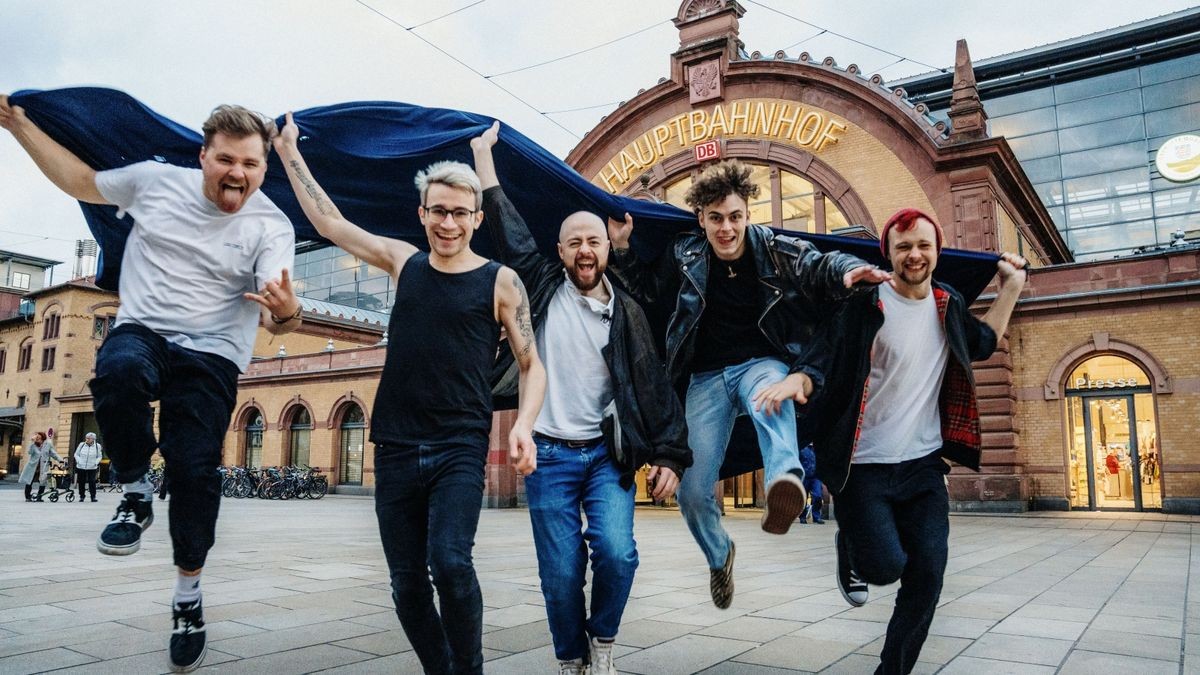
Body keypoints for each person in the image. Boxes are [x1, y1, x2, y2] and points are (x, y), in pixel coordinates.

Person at [0, 95, 301, 673]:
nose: (237, 173)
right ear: (203, 157)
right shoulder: (155, 183)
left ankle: (188, 597)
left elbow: (277, 311)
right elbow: (82, 180)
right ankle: (135, 491)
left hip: (212, 354)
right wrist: (17, 125)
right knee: (117, 372)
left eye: (251, 164)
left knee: (194, 470)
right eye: (226, 160)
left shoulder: (271, 225)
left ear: (264, 169)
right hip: (145, 328)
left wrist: (284, 312)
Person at [274, 113, 545, 675]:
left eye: (460, 213)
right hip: (395, 445)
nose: (449, 223)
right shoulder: (404, 262)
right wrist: (286, 152)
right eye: (438, 211)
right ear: (423, 213)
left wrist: (523, 425)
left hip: (458, 446)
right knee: (405, 584)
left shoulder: (500, 281)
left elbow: (531, 365)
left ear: (475, 218)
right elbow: (331, 224)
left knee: (449, 562)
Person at [606, 159, 887, 609]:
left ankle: (785, 482)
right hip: (705, 379)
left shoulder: (774, 249)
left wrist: (847, 270)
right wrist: (620, 249)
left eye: (734, 217)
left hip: (761, 362)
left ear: (747, 215)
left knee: (770, 397)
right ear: (701, 218)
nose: (726, 228)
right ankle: (720, 555)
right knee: (693, 493)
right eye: (715, 218)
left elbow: (818, 263)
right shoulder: (685, 254)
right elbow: (649, 296)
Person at [472, 123, 691, 675]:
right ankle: (572, 660)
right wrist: (485, 162)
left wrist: (669, 455)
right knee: (561, 571)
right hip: (547, 454)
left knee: (618, 555)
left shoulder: (630, 309)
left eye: (594, 241)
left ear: (605, 249)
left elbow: (654, 385)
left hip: (606, 457)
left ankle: (603, 645)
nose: (585, 250)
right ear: (561, 251)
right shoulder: (541, 286)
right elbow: (509, 230)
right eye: (575, 242)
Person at [805, 208, 1027, 674]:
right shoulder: (863, 305)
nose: (914, 255)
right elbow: (820, 357)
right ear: (887, 252)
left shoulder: (947, 304)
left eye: (924, 245)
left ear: (937, 252)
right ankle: (852, 546)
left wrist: (1011, 287)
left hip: (923, 466)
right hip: (861, 465)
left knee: (927, 575)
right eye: (904, 246)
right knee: (885, 567)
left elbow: (984, 342)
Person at [19, 431, 63, 502]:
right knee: (29, 481)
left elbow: (53, 454)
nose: (37, 438)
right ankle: (27, 497)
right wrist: (32, 442)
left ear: (42, 438)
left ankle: (39, 497)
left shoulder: (48, 444)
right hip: (32, 467)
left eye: (39, 437)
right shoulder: (33, 445)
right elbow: (29, 452)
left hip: (43, 466)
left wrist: (60, 460)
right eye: (36, 437)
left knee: (43, 482)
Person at [796, 445, 824, 524]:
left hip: (816, 477)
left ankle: (816, 516)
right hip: (804, 477)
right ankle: (802, 517)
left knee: (818, 496)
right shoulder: (801, 448)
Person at [74, 432, 103, 502]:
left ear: (93, 439)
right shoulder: (82, 445)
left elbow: (99, 456)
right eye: (86, 438)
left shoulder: (97, 446)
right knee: (81, 482)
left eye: (89, 438)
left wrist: (96, 463)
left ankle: (93, 497)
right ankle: (82, 496)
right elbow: (76, 454)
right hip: (81, 466)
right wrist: (79, 461)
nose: (87, 439)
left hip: (92, 467)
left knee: (92, 481)